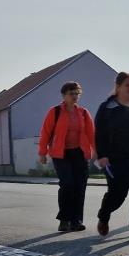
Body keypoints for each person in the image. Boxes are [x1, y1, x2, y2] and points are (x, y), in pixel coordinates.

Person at [94, 72, 129, 240]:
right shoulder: (107, 108)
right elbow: (100, 134)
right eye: (127, 85)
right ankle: (104, 215)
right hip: (115, 160)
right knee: (117, 195)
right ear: (118, 87)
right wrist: (102, 155)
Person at [38, 81, 95, 232]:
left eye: (77, 93)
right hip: (61, 154)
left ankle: (76, 221)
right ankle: (64, 220)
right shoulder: (55, 112)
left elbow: (91, 134)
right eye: (71, 93)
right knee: (67, 184)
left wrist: (97, 152)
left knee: (80, 186)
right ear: (64, 95)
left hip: (79, 153)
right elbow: (45, 132)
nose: (74, 96)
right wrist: (42, 152)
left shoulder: (83, 113)